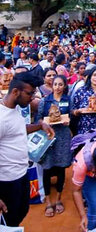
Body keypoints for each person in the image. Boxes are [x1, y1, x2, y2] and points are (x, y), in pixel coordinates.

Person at [0, 72, 54, 226]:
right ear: (16, 92)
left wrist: (40, 125)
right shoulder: (1, 118)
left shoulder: (15, 107)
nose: (33, 97)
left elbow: (18, 129)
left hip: (21, 174)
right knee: (9, 222)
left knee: (22, 210)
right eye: (30, 93)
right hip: (6, 181)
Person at [37, 75, 72, 217]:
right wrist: (44, 123)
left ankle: (58, 199)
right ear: (52, 85)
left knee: (61, 168)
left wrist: (68, 121)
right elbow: (38, 118)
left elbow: (71, 116)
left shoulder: (68, 100)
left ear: (64, 86)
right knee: (47, 168)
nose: (57, 87)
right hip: (48, 138)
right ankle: (48, 201)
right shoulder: (45, 100)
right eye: (55, 84)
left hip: (63, 137)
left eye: (60, 84)